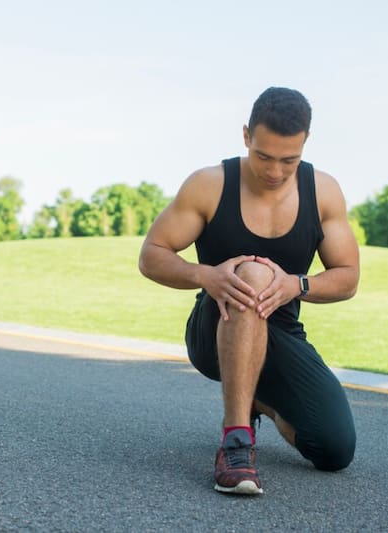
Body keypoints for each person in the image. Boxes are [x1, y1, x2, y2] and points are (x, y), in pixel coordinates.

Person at [138, 87, 359, 495]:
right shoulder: (210, 185)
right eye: (264, 156)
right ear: (246, 136)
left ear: (305, 143)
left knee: (334, 449)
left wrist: (298, 284)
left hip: (281, 333)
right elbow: (152, 255)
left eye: (288, 160)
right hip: (215, 328)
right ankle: (236, 442)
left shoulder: (323, 191)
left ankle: (259, 401)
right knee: (252, 275)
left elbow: (347, 277)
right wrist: (206, 276)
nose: (275, 171)